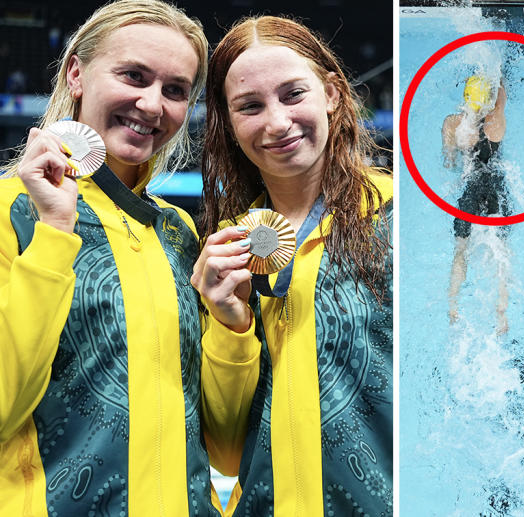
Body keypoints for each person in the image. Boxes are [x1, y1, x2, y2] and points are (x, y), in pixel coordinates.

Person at [0, 1, 244, 515]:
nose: (153, 105)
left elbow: (225, 446)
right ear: (77, 74)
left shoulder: (178, 233)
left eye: (175, 90)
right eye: (133, 76)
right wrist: (54, 235)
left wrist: (232, 328)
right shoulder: (11, 212)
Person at [195, 16, 392, 517]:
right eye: (250, 106)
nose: (277, 122)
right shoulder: (226, 250)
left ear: (330, 93)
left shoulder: (404, 214)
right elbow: (222, 445)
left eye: (293, 94)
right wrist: (229, 325)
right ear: (228, 121)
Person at [443, 74, 510, 335]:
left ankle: (453, 306)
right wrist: (499, 77)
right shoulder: (496, 121)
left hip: (470, 189)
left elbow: (449, 162)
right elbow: (502, 95)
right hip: (496, 189)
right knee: (501, 250)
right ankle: (501, 310)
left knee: (461, 250)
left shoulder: (452, 123)